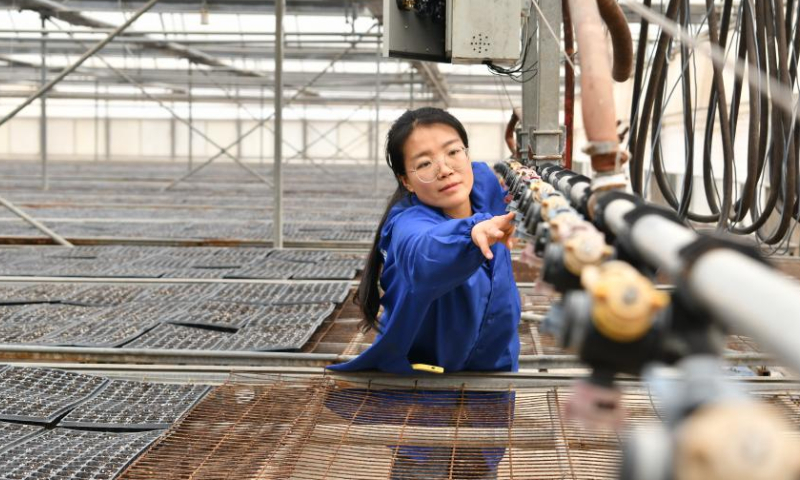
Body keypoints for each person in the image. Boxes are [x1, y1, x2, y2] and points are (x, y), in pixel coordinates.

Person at [325, 107, 521, 479]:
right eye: (424, 163)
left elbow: (485, 174)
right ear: (407, 181)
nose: (444, 168)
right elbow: (425, 253)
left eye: (452, 151)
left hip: (488, 405)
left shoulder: (480, 184)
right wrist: (472, 231)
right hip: (428, 405)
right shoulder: (409, 228)